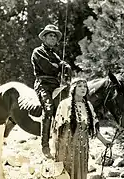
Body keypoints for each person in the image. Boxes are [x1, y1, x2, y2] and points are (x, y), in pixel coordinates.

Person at [51, 78, 112, 179]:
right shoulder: (65, 104)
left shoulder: (88, 106)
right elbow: (56, 128)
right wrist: (55, 148)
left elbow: (93, 129)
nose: (83, 88)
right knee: (66, 173)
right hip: (66, 146)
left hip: (81, 147)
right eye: (79, 86)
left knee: (79, 174)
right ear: (73, 89)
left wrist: (105, 141)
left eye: (85, 86)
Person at [31, 24, 72, 159]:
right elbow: (48, 68)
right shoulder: (38, 52)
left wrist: (65, 66)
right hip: (43, 84)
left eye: (55, 36)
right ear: (44, 38)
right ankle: (45, 145)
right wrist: (59, 66)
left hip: (55, 85)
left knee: (65, 110)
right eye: (50, 35)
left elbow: (64, 66)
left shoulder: (55, 55)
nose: (53, 38)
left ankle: (63, 144)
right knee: (48, 109)